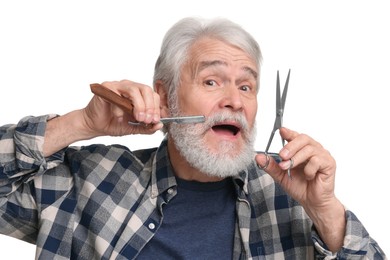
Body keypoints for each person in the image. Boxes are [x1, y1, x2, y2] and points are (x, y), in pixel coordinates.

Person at [0, 17, 386, 260]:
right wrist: (80, 123)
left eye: (247, 86)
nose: (234, 101)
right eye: (212, 81)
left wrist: (326, 210)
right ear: (165, 96)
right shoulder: (92, 181)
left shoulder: (289, 196)